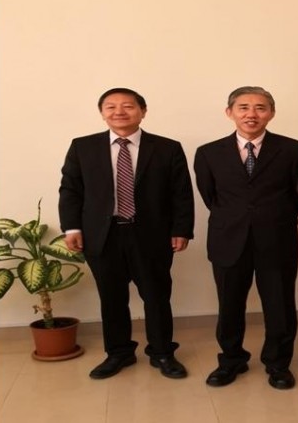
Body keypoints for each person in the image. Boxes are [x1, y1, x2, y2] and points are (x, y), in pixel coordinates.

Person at [59, 88, 194, 380]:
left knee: (157, 296)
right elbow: (70, 190)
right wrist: (72, 227)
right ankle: (118, 353)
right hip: (102, 236)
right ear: (102, 113)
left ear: (143, 111)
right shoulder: (83, 147)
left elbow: (181, 193)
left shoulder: (167, 148)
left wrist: (181, 229)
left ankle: (162, 352)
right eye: (111, 106)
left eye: (128, 106)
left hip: (152, 235)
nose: (119, 111)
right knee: (111, 298)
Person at [194, 86, 298, 390]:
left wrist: (272, 217)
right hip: (228, 239)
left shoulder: (294, 150)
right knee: (229, 305)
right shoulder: (208, 153)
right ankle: (231, 360)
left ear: (271, 113)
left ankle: (278, 364)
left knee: (280, 305)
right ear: (229, 112)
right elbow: (211, 196)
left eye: (260, 107)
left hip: (277, 238)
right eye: (243, 107)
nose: (251, 114)